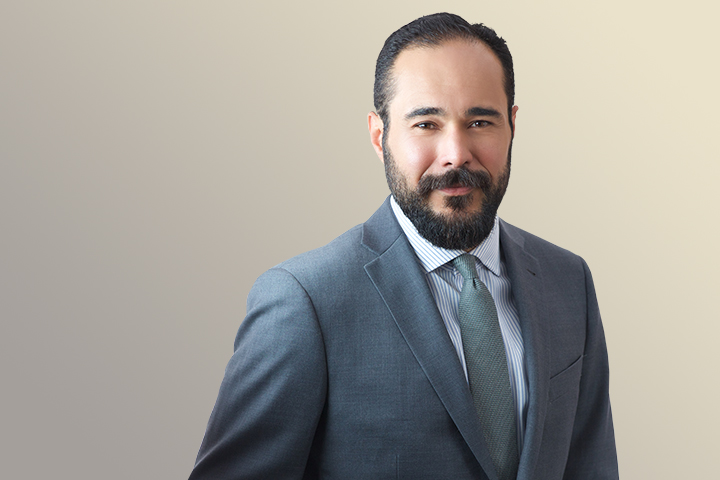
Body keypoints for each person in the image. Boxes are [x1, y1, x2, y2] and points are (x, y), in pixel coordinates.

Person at [189, 12, 618, 480]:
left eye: (479, 121)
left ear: (512, 126)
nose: (456, 154)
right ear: (380, 137)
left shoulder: (567, 282)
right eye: (426, 124)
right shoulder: (305, 301)